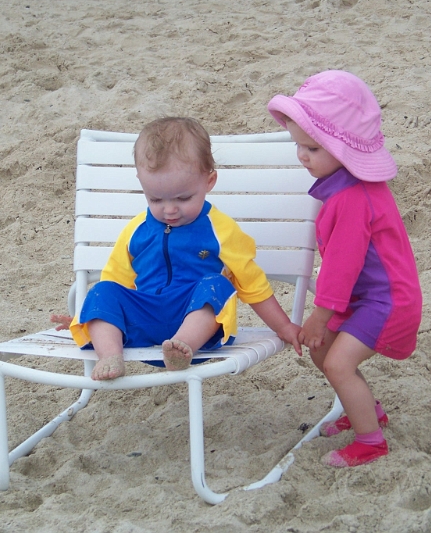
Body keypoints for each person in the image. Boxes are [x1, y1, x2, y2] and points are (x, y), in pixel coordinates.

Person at [51, 117, 302, 381]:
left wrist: (283, 326)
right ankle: (110, 354)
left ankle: (182, 346)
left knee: (217, 285)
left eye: (183, 198)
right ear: (141, 183)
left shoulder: (221, 231)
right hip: (143, 317)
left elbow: (252, 284)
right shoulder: (136, 230)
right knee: (103, 290)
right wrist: (91, 318)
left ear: (209, 181)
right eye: (156, 199)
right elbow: (117, 283)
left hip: (196, 319)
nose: (169, 210)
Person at [267, 71, 422, 468]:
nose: (302, 156)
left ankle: (371, 442)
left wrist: (319, 317)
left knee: (338, 363)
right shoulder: (344, 187)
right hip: (364, 296)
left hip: (386, 301)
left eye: (312, 148)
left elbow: (341, 266)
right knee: (324, 353)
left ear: (345, 150)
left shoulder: (352, 199)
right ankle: (367, 411)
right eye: (298, 146)